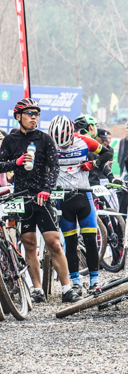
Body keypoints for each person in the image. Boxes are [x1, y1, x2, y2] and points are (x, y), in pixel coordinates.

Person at [0, 99, 78, 303]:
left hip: (42, 197)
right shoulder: (10, 140)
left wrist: (47, 189)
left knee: (54, 242)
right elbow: (0, 165)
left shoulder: (45, 139)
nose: (34, 117)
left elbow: (54, 167)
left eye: (36, 114)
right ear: (18, 116)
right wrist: (15, 163)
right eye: (29, 113)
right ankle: (37, 289)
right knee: (29, 244)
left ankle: (67, 288)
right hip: (22, 197)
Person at [48, 115, 113, 294]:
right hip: (63, 200)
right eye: (59, 144)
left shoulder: (84, 141)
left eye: (65, 143)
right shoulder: (49, 144)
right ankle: (75, 282)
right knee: (70, 242)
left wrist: (94, 163)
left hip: (84, 196)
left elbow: (109, 153)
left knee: (91, 240)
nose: (62, 147)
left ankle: (95, 281)